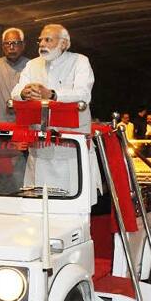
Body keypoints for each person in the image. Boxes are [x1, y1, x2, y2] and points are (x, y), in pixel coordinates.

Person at [10, 24, 99, 200]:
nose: (42, 44)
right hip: (40, 150)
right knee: (39, 203)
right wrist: (23, 92)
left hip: (70, 150)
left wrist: (51, 94)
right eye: (40, 40)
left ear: (64, 44)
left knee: (72, 203)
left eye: (48, 40)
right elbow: (15, 92)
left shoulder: (80, 61)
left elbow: (83, 94)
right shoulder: (32, 64)